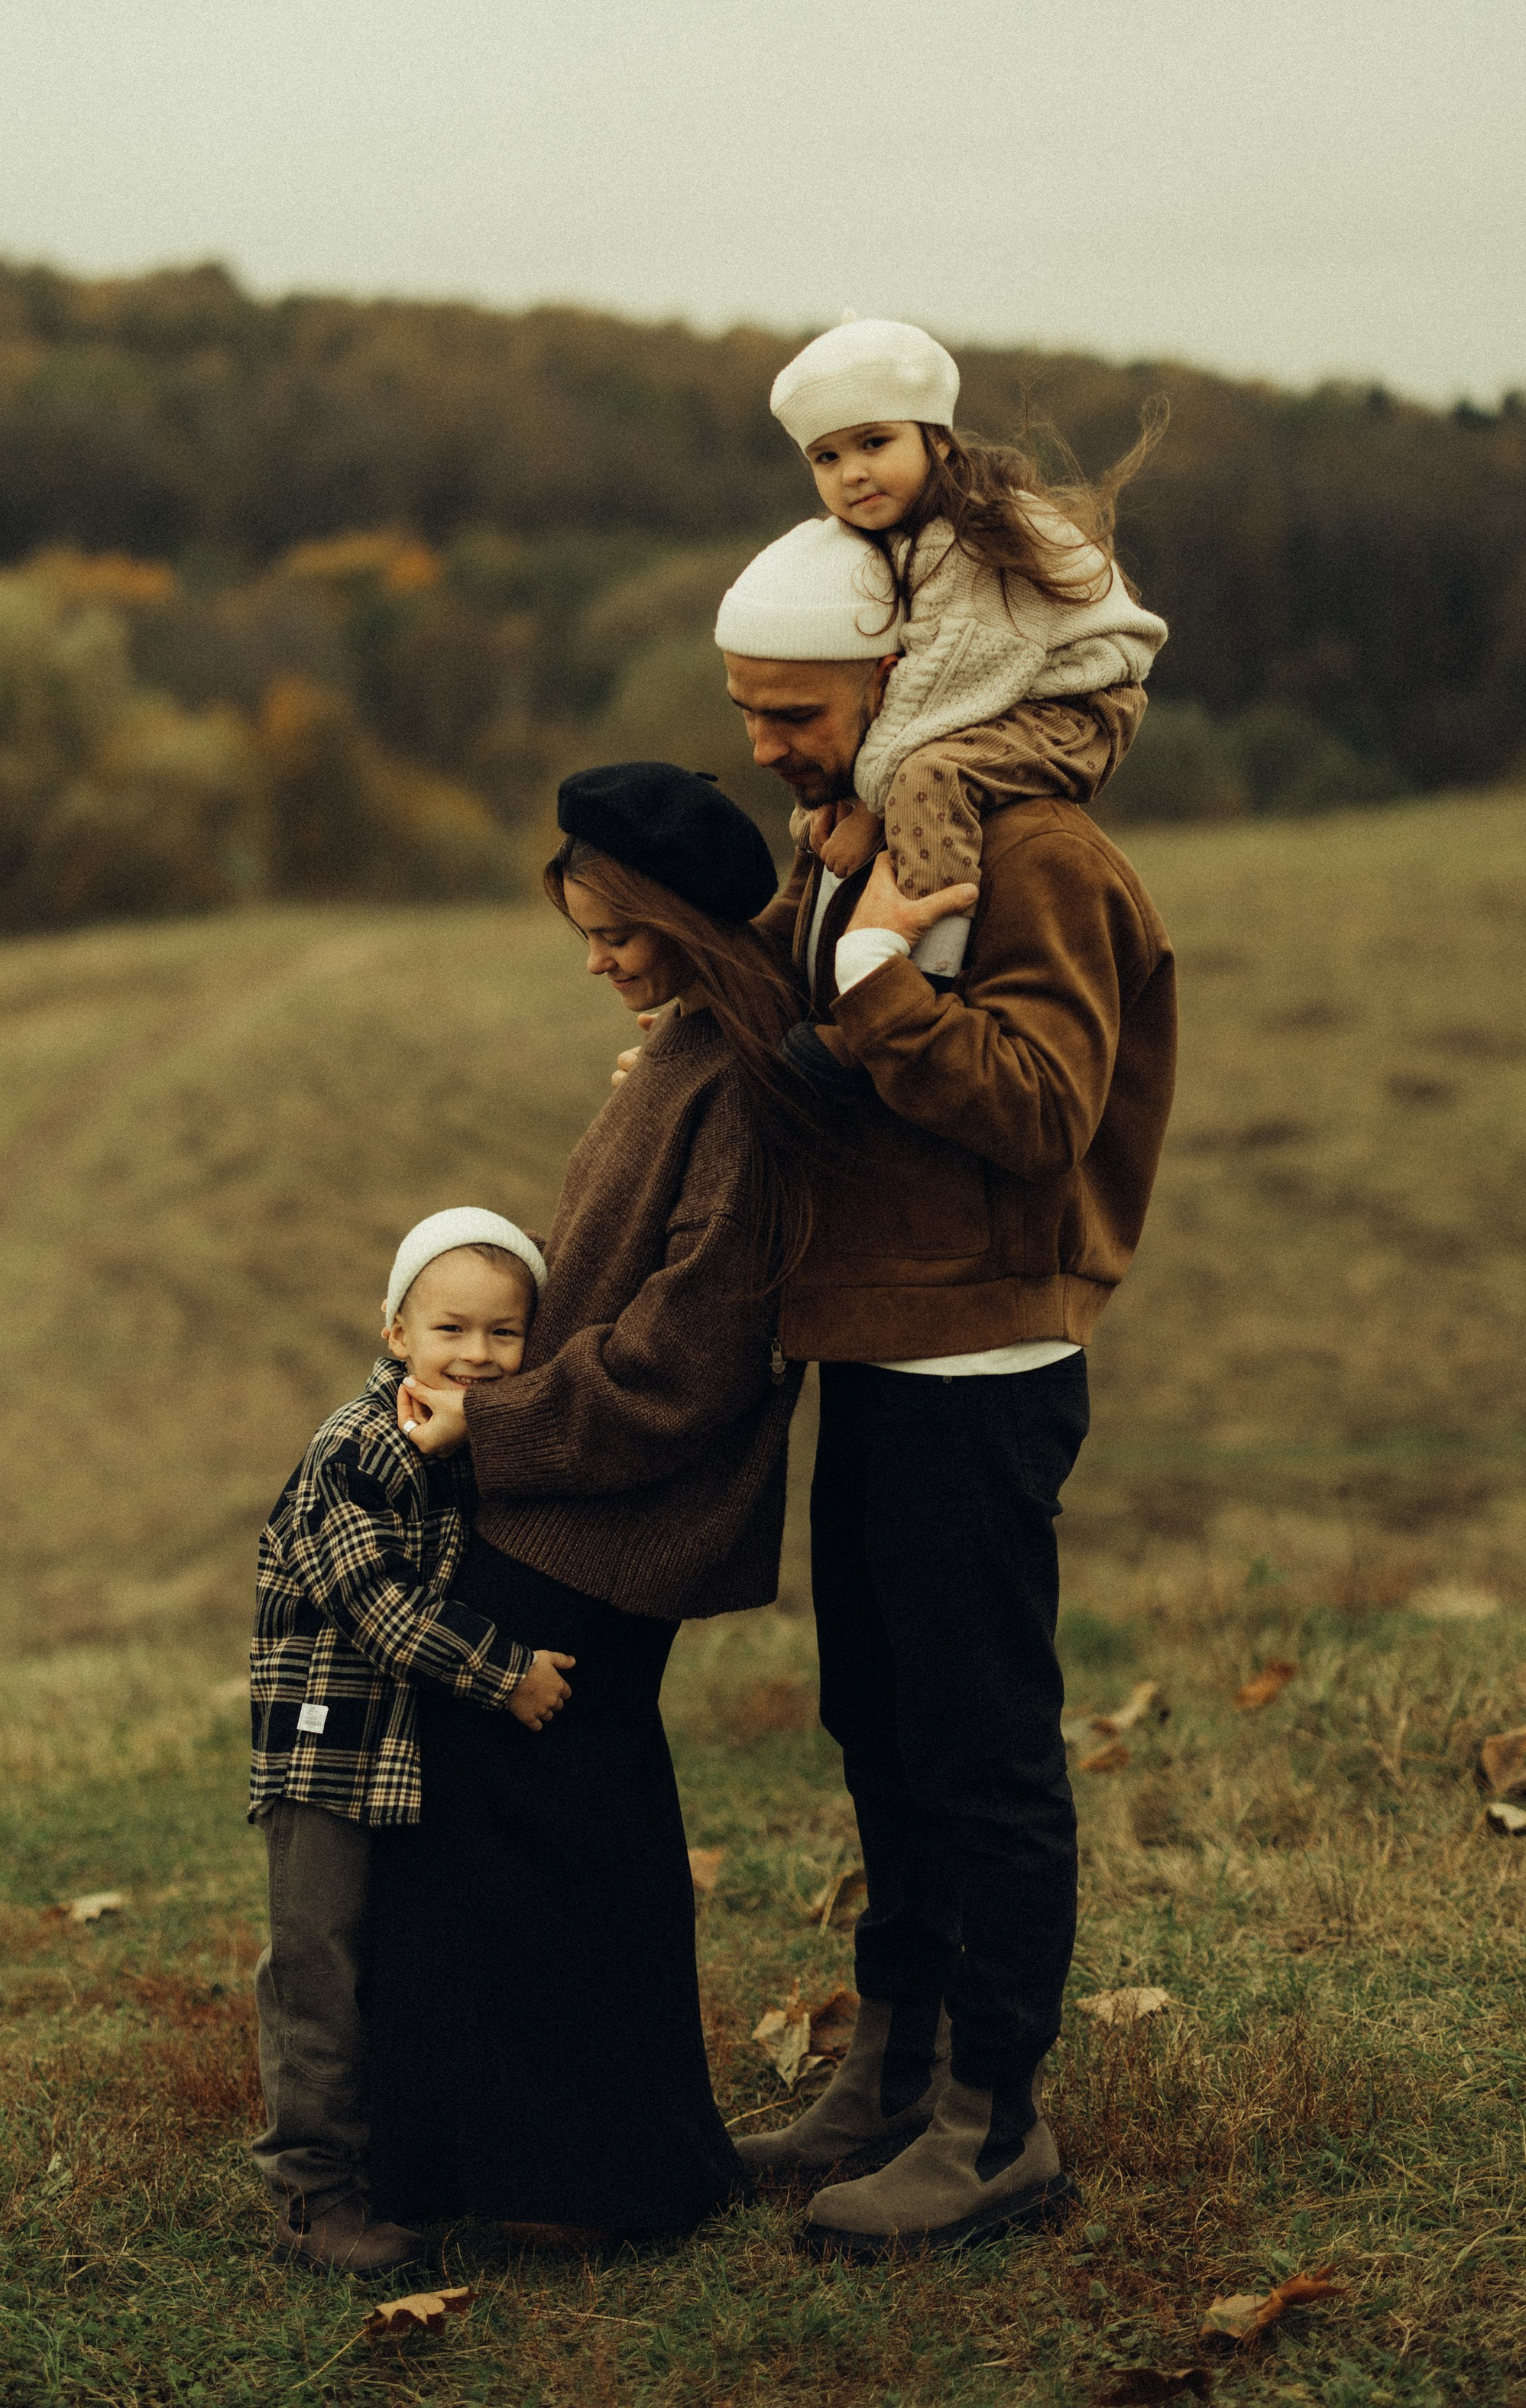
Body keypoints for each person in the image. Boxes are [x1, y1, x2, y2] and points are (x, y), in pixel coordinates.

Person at [710, 494, 1178, 2258]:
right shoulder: (849, 838)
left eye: (792, 709)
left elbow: (1042, 1104)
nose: (762, 742)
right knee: (878, 1725)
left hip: (981, 1356)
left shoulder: (1035, 850)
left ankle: (996, 2123)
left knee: (975, 1745)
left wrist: (874, 979)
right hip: (873, 1344)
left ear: (895, 675)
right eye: (745, 709)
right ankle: (889, 2070)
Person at [363, 762, 809, 2242]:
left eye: (618, 934)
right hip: (564, 1501)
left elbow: (684, 1360)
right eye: (586, 937)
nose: (599, 962)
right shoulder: (688, 1053)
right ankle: (586, 2168)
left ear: (686, 921)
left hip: (604, 1525)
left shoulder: (741, 1089)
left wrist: (486, 1424)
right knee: (556, 1832)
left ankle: (581, 2184)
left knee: (555, 1843)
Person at [247, 1206, 575, 2275]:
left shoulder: (461, 1441)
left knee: (390, 1961)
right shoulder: (359, 1445)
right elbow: (374, 1600)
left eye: (504, 1334)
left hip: (395, 1757)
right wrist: (505, 1673)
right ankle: (310, 2198)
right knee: (319, 1970)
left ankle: (391, 2165)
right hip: (325, 1753)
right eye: (451, 1330)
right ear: (396, 1331)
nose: (476, 1354)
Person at [763, 315, 1167, 982]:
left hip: (1074, 707)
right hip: (1003, 698)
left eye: (873, 442)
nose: (853, 473)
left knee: (930, 778)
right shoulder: (896, 532)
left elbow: (940, 688)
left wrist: (869, 808)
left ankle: (926, 964)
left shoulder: (973, 536)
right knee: (832, 795)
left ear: (939, 442)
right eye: (827, 457)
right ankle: (812, 948)